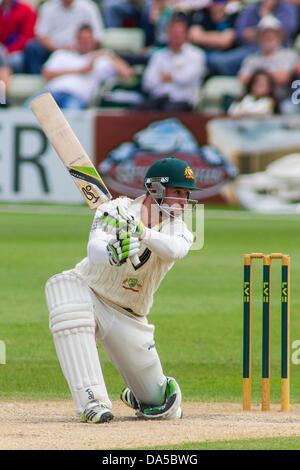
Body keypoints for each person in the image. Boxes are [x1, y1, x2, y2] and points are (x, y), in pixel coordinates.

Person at [45, 157, 198, 423]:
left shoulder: (181, 230)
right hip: (88, 289)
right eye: (177, 193)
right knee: (66, 297)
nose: (183, 201)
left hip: (129, 315)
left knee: (160, 406)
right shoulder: (115, 209)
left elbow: (176, 250)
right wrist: (111, 253)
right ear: (156, 189)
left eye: (186, 194)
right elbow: (94, 249)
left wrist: (139, 232)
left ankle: (143, 395)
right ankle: (92, 402)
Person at [35, 24, 133, 109]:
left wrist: (109, 55)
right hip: (52, 92)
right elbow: (46, 74)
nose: (85, 42)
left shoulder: (101, 59)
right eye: (82, 39)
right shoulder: (62, 54)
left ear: (94, 41)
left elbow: (127, 74)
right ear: (76, 39)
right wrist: (82, 70)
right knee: (29, 109)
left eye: (87, 39)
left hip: (76, 96)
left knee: (71, 117)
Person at [135, 14, 206, 111]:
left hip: (183, 101)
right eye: (173, 33)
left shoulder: (196, 55)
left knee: (167, 111)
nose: (176, 36)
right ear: (167, 34)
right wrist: (173, 77)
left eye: (179, 33)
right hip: (158, 99)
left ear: (186, 34)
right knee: (137, 110)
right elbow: (148, 82)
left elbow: (186, 78)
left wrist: (164, 76)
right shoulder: (158, 55)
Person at [24, 0, 104, 74]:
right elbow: (41, 35)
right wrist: (58, 49)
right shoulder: (48, 7)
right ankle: (39, 79)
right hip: (52, 50)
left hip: (82, 52)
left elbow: (98, 36)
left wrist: (80, 47)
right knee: (32, 47)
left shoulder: (88, 7)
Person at [238, 14, 298, 103]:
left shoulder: (290, 55)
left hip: (281, 101)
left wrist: (256, 76)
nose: (268, 37)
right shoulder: (251, 59)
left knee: (288, 107)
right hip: (254, 99)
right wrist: (271, 76)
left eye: (272, 34)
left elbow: (284, 77)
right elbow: (242, 79)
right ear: (259, 37)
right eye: (265, 34)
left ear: (279, 36)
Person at [188, 0, 239, 76]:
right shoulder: (202, 17)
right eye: (215, 3)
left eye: (221, 2)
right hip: (204, 55)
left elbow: (225, 42)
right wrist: (219, 37)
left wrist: (204, 36)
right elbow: (194, 37)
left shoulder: (232, 18)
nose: (218, 6)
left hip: (226, 57)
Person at [0, 0, 37, 73]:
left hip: (19, 51)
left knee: (15, 61)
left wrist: (10, 50)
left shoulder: (26, 10)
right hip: (2, 50)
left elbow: (28, 36)